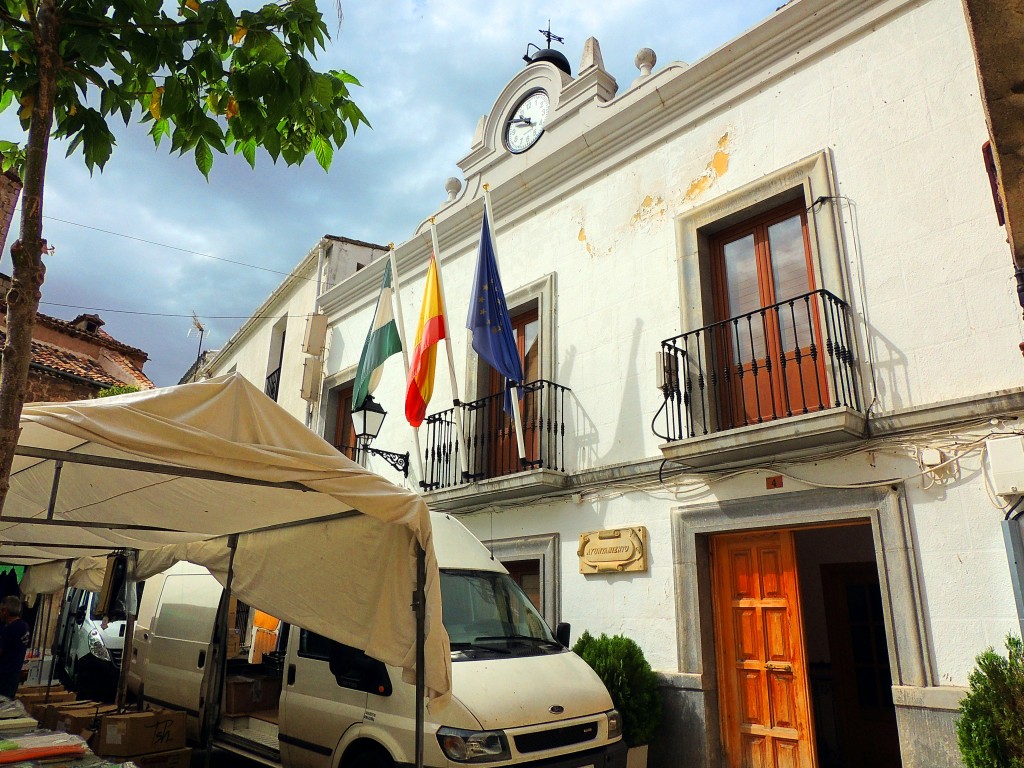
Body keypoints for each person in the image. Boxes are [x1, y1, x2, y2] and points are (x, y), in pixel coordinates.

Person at [0, 596, 30, 699]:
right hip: (14, 674)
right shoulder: (24, 626)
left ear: (5, 611)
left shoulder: (10, 629)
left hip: (4, 676)